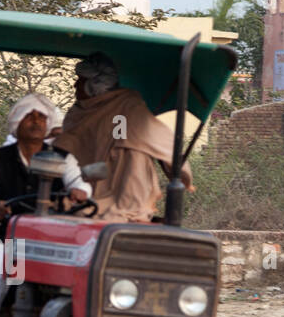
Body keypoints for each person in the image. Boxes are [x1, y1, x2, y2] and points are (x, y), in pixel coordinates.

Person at [0, 93, 91, 317]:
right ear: (17, 123)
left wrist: (81, 192)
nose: (36, 121)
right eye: (29, 116)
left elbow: (80, 185)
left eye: (41, 117)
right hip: (1, 241)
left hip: (49, 244)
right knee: (2, 257)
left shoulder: (63, 159)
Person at [51, 51, 194, 222]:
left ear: (94, 83)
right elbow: (70, 147)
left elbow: (158, 139)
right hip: (89, 184)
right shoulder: (81, 112)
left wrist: (182, 175)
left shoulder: (128, 105)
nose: (75, 85)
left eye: (80, 81)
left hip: (129, 189)